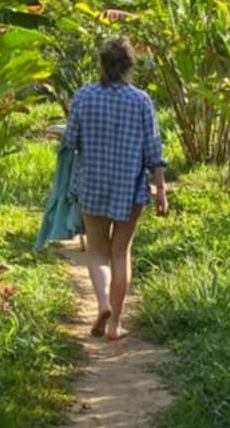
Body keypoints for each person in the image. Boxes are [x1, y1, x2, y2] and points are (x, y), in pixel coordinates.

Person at [61, 36, 167, 341]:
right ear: (129, 66)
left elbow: (71, 141)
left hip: (92, 184)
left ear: (102, 65)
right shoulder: (141, 101)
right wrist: (160, 190)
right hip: (129, 187)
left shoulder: (83, 96)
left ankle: (103, 303)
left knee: (97, 253)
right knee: (121, 253)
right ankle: (115, 324)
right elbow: (153, 150)